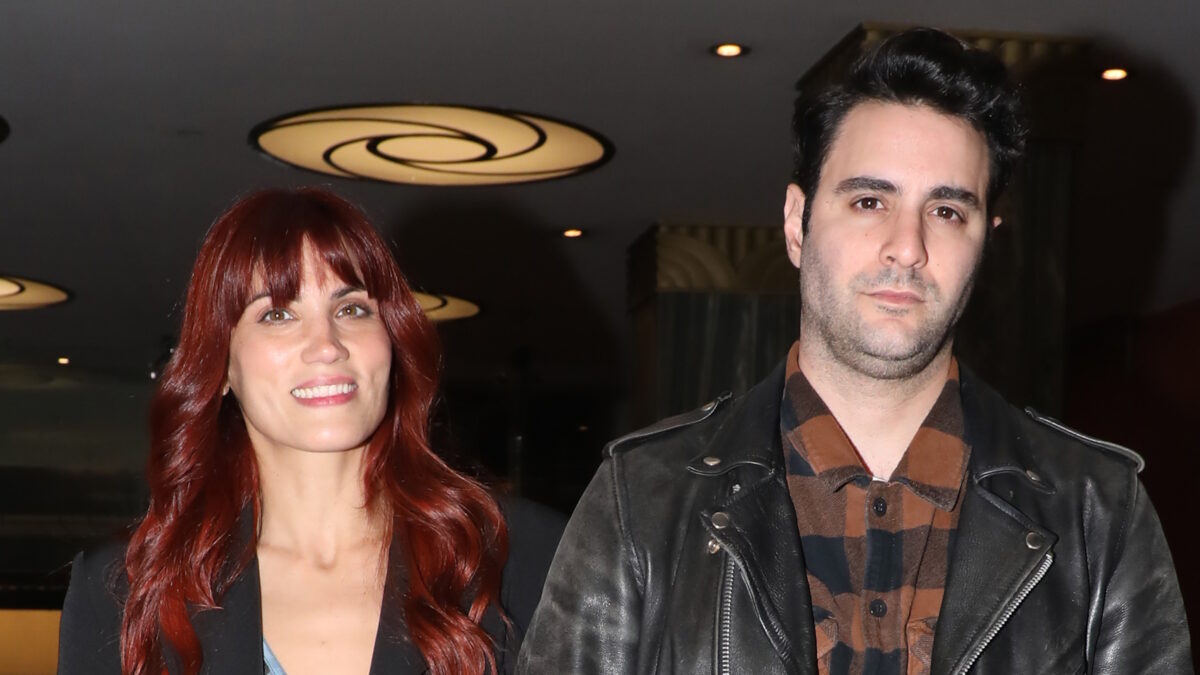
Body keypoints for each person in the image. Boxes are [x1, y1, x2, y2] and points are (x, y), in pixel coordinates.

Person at [518, 28, 1192, 674]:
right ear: (797, 223)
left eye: (947, 211)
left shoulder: (1097, 509)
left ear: (986, 242)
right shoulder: (644, 496)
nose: (908, 246)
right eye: (870, 201)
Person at [58, 187, 562, 675]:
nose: (327, 345)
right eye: (277, 314)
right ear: (221, 365)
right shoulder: (124, 593)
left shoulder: (522, 556)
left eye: (351, 309)